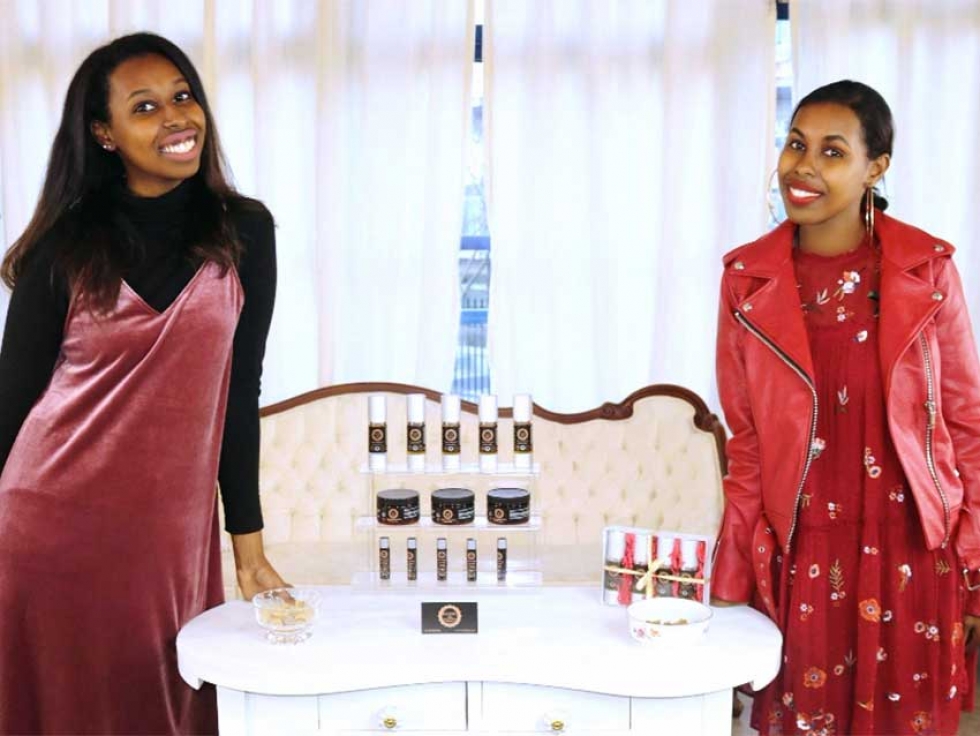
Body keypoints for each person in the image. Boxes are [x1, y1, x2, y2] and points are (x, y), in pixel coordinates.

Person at [0, 32, 286, 734]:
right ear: (104, 133)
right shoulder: (62, 249)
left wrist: (248, 552)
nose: (175, 118)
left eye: (183, 97)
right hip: (50, 529)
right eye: (146, 107)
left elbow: (236, 399)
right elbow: (11, 406)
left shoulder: (246, 232)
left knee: (161, 703)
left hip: (169, 540)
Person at [713, 79, 980, 736]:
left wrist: (973, 561)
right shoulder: (747, 281)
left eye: (833, 152)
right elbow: (747, 446)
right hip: (805, 557)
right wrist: (729, 581)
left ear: (876, 168)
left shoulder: (928, 270)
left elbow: (965, 422)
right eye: (796, 144)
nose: (802, 166)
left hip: (915, 552)